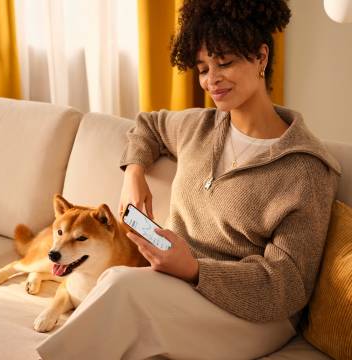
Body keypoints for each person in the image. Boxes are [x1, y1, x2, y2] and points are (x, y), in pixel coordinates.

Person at [37, 0, 341, 359]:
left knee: (120, 286)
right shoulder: (199, 127)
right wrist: (133, 174)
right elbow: (146, 126)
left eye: (224, 62)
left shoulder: (307, 169)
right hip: (175, 286)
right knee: (117, 290)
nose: (211, 80)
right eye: (202, 68)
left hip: (255, 317)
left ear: (261, 57)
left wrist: (196, 269)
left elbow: (285, 286)